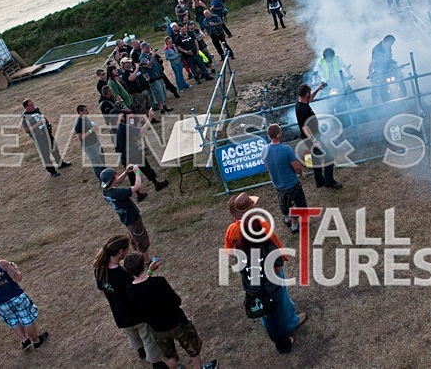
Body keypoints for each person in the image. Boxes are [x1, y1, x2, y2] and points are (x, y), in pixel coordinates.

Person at [223, 193, 306, 353]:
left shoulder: (232, 229)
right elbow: (275, 246)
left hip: (252, 276)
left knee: (260, 300)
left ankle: (266, 320)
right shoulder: (261, 225)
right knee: (280, 300)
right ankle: (290, 322)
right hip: (271, 272)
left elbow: (228, 251)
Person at [123, 254, 218, 369]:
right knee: (192, 348)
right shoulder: (159, 282)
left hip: (158, 329)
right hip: (177, 323)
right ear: (143, 265)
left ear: (129, 271)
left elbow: (138, 309)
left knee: (169, 356)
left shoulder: (130, 290)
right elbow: (177, 300)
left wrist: (150, 272)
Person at [93, 235, 164, 366]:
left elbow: (102, 290)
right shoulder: (123, 274)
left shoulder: (99, 270)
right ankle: (156, 363)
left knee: (131, 334)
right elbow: (138, 287)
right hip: (136, 315)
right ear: (120, 252)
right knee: (147, 337)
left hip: (119, 314)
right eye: (127, 249)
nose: (128, 251)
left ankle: (140, 351)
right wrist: (149, 271)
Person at [0, 242, 48, 351]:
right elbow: (18, 278)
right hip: (16, 297)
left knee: (13, 321)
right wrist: (14, 268)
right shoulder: (2, 264)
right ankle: (36, 341)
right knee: (26, 320)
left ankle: (24, 340)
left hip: (0, 304)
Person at [260, 124, 307, 233]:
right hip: (291, 184)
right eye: (280, 131)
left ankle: (287, 218)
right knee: (296, 204)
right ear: (279, 134)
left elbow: (267, 166)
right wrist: (300, 174)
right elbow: (296, 167)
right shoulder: (286, 149)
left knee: (283, 202)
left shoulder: (264, 150)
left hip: (277, 185)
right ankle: (294, 224)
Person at [99, 166, 151, 261]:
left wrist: (126, 172)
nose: (117, 176)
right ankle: (147, 262)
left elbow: (117, 181)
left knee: (135, 239)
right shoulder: (117, 193)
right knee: (141, 241)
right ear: (112, 179)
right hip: (133, 219)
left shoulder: (106, 191)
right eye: (115, 175)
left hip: (126, 219)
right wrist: (137, 173)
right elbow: (137, 187)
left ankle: (138, 257)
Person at [296, 85, 342, 189]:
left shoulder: (301, 103)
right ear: (306, 94)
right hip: (311, 139)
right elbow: (305, 127)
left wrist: (318, 89)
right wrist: (315, 141)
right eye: (309, 92)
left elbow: (309, 99)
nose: (310, 94)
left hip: (310, 138)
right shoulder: (302, 109)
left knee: (316, 159)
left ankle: (319, 181)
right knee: (329, 158)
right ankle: (329, 182)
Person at [115, 110, 168, 192]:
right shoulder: (123, 127)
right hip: (133, 153)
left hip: (124, 156)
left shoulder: (116, 127)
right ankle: (157, 184)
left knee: (132, 174)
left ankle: (139, 195)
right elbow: (140, 132)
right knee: (146, 168)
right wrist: (150, 118)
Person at [21, 98, 71, 177]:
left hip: (47, 133)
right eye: (30, 105)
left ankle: (60, 163)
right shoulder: (25, 117)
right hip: (39, 138)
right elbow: (27, 130)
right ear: (26, 107)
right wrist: (38, 123)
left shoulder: (36, 109)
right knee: (45, 155)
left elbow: (42, 117)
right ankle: (52, 171)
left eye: (33, 104)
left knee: (54, 149)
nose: (33, 106)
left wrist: (48, 123)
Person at [75, 104, 106, 179]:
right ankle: (101, 180)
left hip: (95, 142)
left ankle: (106, 175)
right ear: (80, 112)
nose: (88, 112)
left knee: (101, 159)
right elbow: (80, 137)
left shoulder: (86, 118)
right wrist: (91, 130)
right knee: (96, 163)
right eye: (85, 110)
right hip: (89, 146)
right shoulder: (79, 124)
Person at [139, 42, 170, 115]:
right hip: (153, 79)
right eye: (147, 47)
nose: (148, 48)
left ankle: (164, 107)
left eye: (149, 47)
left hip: (158, 76)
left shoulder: (149, 55)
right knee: (158, 94)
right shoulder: (142, 58)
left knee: (163, 92)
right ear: (143, 48)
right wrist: (153, 56)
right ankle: (162, 109)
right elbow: (149, 66)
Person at [367, 34, 396, 104]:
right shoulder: (376, 49)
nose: (391, 45)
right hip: (379, 68)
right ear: (385, 41)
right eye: (390, 43)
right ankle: (377, 103)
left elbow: (389, 58)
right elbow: (372, 63)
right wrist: (370, 73)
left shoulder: (388, 47)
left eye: (392, 44)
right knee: (377, 84)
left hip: (387, 66)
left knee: (398, 71)